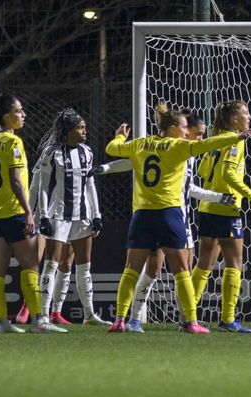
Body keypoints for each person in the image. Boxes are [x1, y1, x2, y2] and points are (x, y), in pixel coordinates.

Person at [103, 102, 242, 334]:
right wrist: (236, 138)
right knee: (182, 270)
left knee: (131, 269)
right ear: (173, 129)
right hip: (169, 214)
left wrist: (119, 137)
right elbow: (209, 143)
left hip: (142, 214)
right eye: (184, 128)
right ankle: (191, 322)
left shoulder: (138, 144)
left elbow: (112, 148)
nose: (187, 132)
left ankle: (120, 320)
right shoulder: (178, 147)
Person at [0, 86, 65, 333]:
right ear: (7, 115)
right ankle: (39, 320)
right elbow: (16, 180)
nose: (23, 114)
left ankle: (2, 322)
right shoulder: (12, 141)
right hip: (14, 212)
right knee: (30, 266)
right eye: (18, 111)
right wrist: (28, 211)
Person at [34, 108, 109, 326]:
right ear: (68, 130)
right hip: (59, 216)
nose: (85, 131)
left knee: (84, 266)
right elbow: (44, 187)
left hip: (82, 216)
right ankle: (44, 315)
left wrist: (96, 214)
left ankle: (89, 315)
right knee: (51, 264)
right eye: (80, 127)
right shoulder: (51, 153)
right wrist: (44, 216)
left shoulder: (87, 152)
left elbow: (90, 184)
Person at [192, 100, 251, 333]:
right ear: (234, 119)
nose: (249, 118)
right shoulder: (235, 140)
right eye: (246, 114)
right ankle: (228, 318)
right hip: (227, 207)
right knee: (234, 263)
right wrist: (250, 195)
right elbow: (229, 173)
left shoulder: (215, 138)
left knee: (204, 265)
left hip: (207, 206)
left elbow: (202, 171)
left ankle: (188, 316)